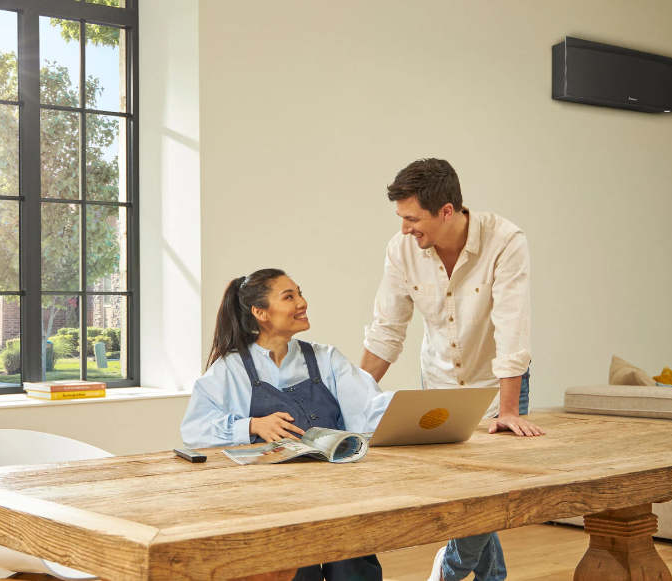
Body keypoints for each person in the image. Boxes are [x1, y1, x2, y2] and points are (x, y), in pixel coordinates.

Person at [359, 158, 544, 581]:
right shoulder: (402, 248)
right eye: (401, 218)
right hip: (439, 381)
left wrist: (509, 411)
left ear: (447, 211)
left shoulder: (506, 240)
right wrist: (350, 397)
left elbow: (512, 327)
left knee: (492, 489)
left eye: (412, 218)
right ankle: (491, 577)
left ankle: (451, 568)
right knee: (467, 494)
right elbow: (387, 330)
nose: (405, 228)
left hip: (499, 384)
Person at [182, 268, 383, 581]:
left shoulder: (326, 358)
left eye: (300, 293)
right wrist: (251, 425)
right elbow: (194, 429)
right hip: (277, 505)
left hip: (339, 498)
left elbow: (371, 406)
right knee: (296, 573)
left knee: (354, 572)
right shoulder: (231, 367)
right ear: (261, 312)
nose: (302, 302)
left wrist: (419, 413)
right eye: (289, 297)